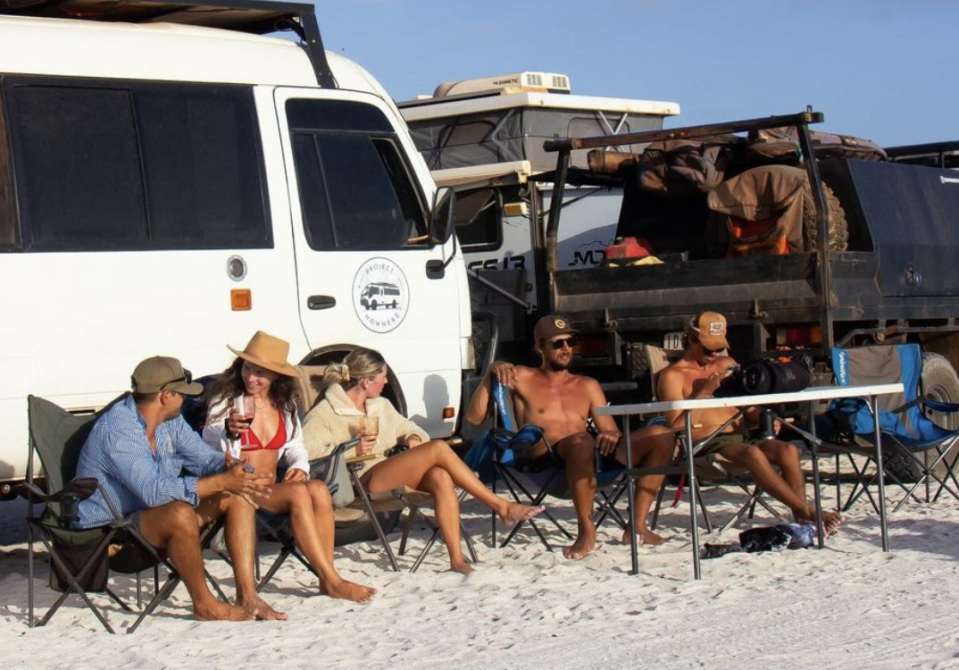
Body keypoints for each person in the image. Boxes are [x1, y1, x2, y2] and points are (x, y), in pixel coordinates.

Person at [302, 348, 544, 575]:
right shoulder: (327, 411)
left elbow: (411, 427)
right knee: (438, 448)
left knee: (440, 476)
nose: (386, 383)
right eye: (383, 377)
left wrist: (414, 437)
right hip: (360, 481)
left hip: (390, 473)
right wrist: (351, 451)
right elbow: (308, 451)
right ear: (367, 381)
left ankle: (456, 559)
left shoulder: (381, 406)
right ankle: (501, 506)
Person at [75, 356, 273, 622]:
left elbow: (203, 458)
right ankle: (205, 605)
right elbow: (153, 492)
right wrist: (220, 481)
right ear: (166, 396)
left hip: (150, 519)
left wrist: (228, 465)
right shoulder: (118, 430)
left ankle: (249, 597)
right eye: (182, 394)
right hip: (110, 535)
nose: (185, 399)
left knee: (236, 494)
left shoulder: (171, 422)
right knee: (180, 513)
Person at [466, 315, 677, 559]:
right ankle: (586, 530)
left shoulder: (587, 384)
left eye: (571, 341)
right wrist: (491, 373)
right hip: (546, 461)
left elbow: (610, 430)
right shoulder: (521, 377)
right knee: (581, 440)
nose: (566, 348)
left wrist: (609, 433)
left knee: (662, 434)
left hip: (589, 458)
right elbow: (474, 418)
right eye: (557, 343)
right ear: (539, 347)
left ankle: (637, 526)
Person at [203, 331, 376, 605]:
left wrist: (300, 467)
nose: (251, 377)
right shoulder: (226, 402)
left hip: (270, 489)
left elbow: (295, 445)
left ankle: (326, 577)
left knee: (318, 488)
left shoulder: (285, 405)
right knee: (298, 493)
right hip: (240, 489)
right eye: (247, 368)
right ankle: (333, 580)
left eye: (260, 372)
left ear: (275, 375)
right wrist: (231, 433)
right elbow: (208, 449)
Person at [657, 311, 842, 534]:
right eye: (709, 348)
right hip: (705, 446)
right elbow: (675, 427)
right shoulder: (673, 376)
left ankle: (802, 522)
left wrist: (765, 419)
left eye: (719, 347)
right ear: (692, 339)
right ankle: (809, 512)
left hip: (742, 438)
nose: (716, 353)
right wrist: (703, 394)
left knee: (788, 450)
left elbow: (748, 410)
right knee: (753, 454)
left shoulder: (727, 364)